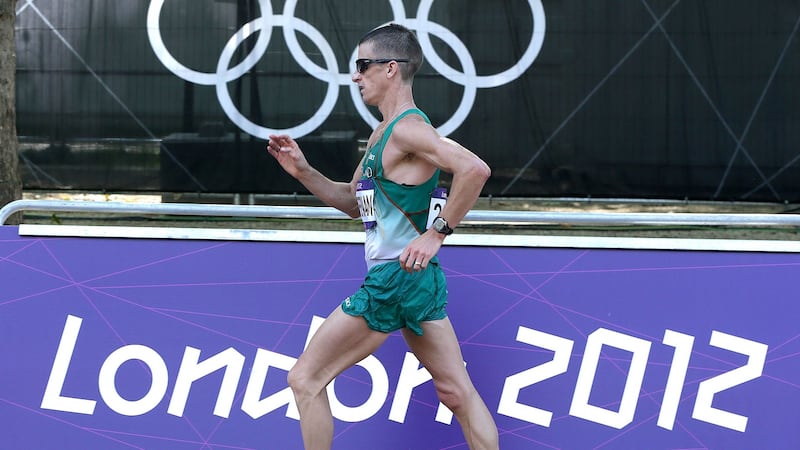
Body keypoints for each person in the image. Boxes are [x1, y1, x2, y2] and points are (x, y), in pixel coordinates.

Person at [266, 23, 499, 450]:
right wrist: (302, 170)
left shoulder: (409, 130)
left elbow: (475, 169)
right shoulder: (382, 133)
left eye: (362, 66)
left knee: (305, 378)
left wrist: (437, 234)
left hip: (394, 277)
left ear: (390, 69)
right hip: (415, 278)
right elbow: (353, 202)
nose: (355, 76)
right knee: (456, 393)